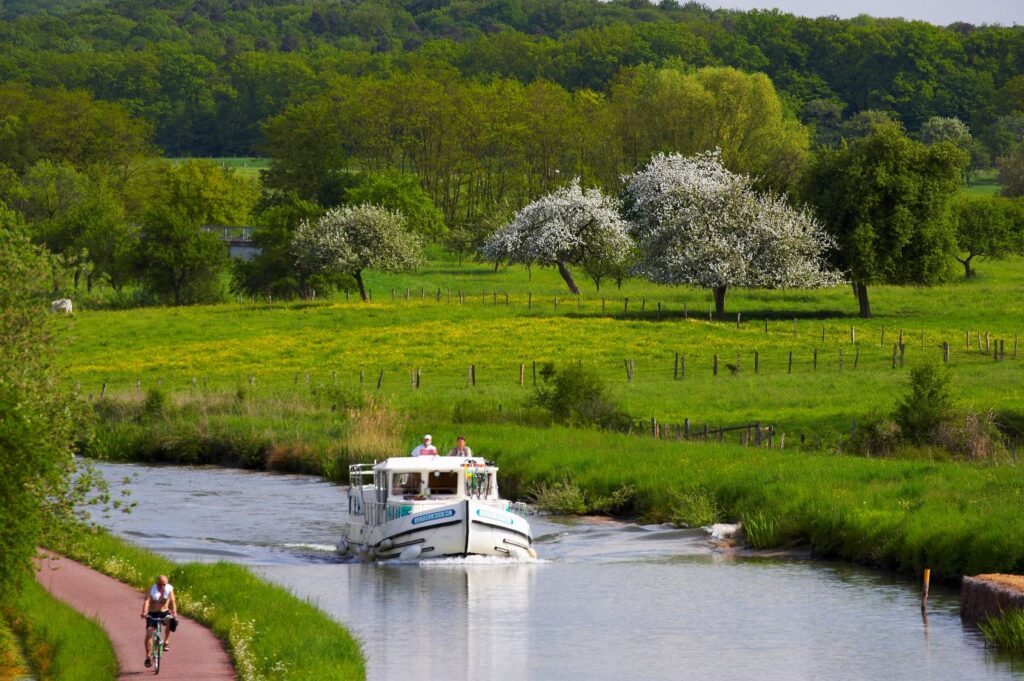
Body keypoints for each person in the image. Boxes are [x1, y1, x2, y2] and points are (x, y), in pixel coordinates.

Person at [141, 574, 178, 668]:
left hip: (164, 613)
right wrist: (144, 612)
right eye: (160, 584)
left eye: (164, 584)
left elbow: (173, 601)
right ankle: (148, 657)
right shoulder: (152, 589)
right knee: (149, 634)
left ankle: (166, 641)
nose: (162, 586)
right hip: (152, 614)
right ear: (156, 583)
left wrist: (174, 611)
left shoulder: (169, 589)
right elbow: (147, 601)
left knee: (171, 621)